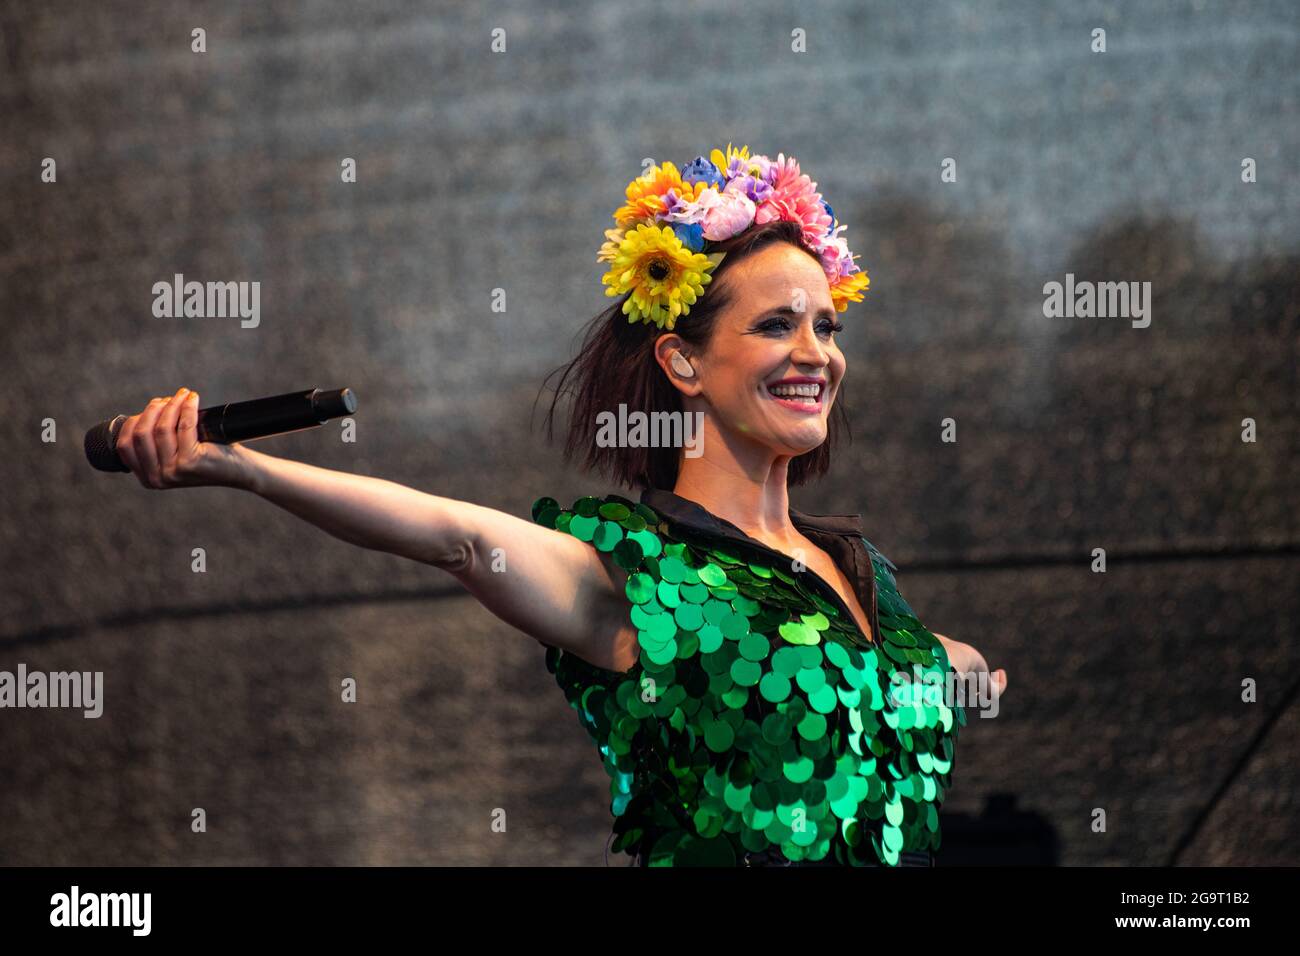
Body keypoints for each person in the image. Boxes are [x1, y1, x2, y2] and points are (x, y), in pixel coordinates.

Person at [112, 144, 1006, 867]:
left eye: (826, 326)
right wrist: (245, 470)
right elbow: (457, 538)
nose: (816, 352)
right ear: (682, 362)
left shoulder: (860, 571)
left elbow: (901, 679)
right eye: (777, 324)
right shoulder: (649, 575)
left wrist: (955, 668)